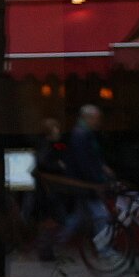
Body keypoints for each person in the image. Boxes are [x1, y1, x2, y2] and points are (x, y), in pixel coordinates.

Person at [48, 104, 121, 263]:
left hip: (82, 184)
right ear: (87, 118)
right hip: (86, 184)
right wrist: (98, 180)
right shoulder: (81, 135)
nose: (98, 122)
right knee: (101, 215)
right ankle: (104, 250)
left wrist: (101, 168)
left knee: (78, 217)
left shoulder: (82, 134)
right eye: (96, 118)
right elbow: (86, 162)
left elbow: (89, 159)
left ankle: (54, 244)